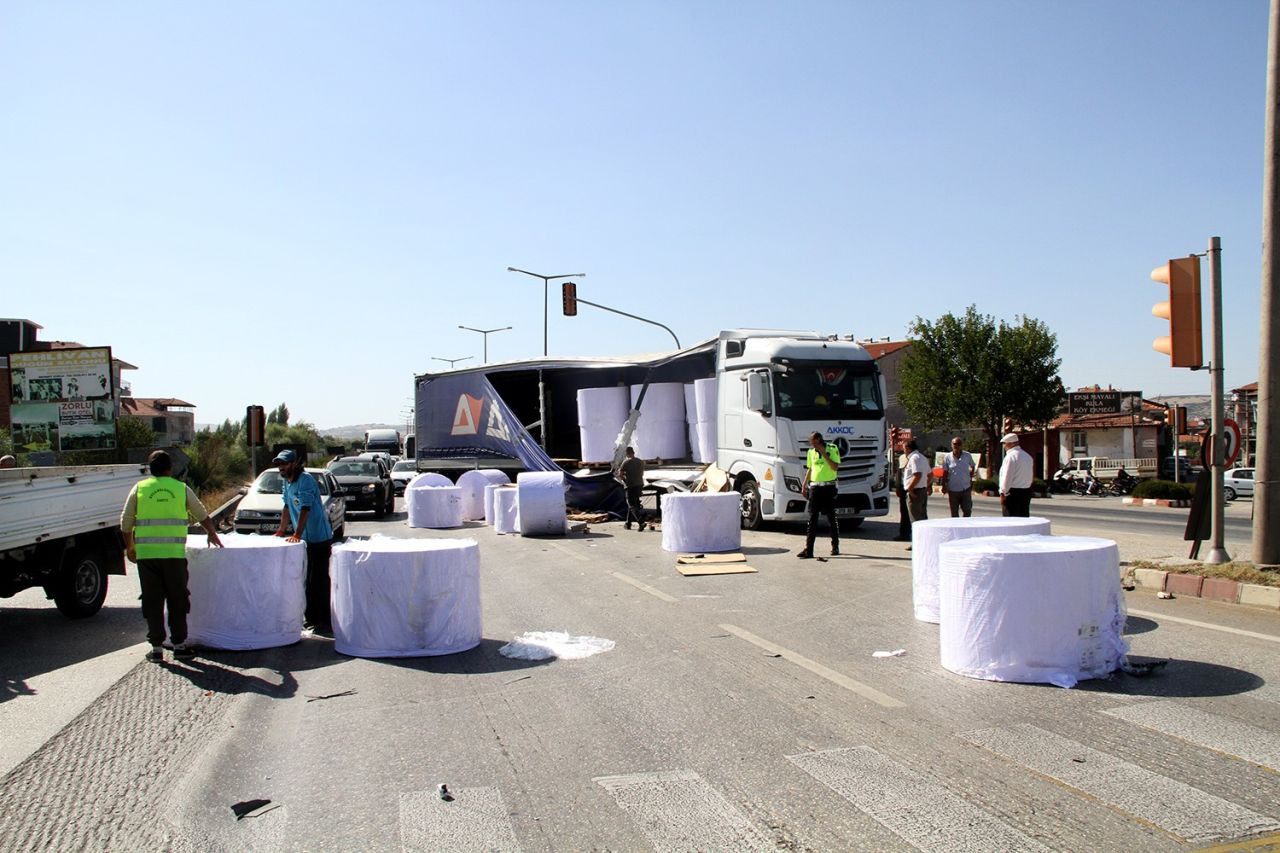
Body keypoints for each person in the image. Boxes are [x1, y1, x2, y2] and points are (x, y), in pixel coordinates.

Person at [120, 450, 222, 662]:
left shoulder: (139, 489)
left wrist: (130, 547)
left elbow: (125, 522)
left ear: (150, 469)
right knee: (177, 599)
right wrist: (212, 533)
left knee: (152, 601)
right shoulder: (181, 489)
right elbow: (202, 514)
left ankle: (157, 648)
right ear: (170, 469)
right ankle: (180, 646)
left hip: (147, 558)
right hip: (174, 556)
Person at [273, 449, 334, 633]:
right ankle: (312, 617)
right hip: (305, 541)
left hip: (318, 538)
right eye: (279, 465)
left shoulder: (305, 480)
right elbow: (286, 506)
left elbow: (305, 509)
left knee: (319, 580)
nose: (281, 468)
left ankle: (324, 620)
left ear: (295, 464)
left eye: (284, 464)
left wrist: (297, 534)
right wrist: (282, 530)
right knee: (306, 579)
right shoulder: (287, 482)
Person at [797, 431, 840, 559]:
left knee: (831, 517)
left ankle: (835, 546)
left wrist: (824, 453)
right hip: (815, 487)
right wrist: (804, 485)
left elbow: (834, 467)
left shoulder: (832, 449)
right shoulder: (811, 452)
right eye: (811, 443)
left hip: (829, 486)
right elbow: (810, 469)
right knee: (812, 519)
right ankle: (809, 549)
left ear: (820, 440)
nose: (813, 446)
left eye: (815, 443)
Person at [999, 432, 1034, 516]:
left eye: (1004, 443)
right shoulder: (1027, 456)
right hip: (1026, 492)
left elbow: (1007, 477)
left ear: (1009, 444)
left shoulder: (1010, 457)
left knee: (1011, 522)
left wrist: (1004, 493)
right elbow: (1030, 476)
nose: (1003, 446)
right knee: (1023, 520)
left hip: (1012, 494)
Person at [902, 440, 930, 546]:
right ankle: (924, 542)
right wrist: (926, 485)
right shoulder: (922, 457)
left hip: (916, 492)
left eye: (904, 448)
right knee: (922, 517)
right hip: (921, 490)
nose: (903, 450)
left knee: (915, 520)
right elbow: (930, 474)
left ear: (908, 448)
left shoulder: (914, 458)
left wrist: (910, 489)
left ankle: (917, 543)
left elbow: (917, 474)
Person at [940, 437, 977, 518]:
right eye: (955, 444)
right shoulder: (947, 457)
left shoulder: (967, 455)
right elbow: (945, 472)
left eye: (959, 444)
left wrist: (970, 476)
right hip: (953, 489)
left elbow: (972, 466)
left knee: (967, 510)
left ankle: (965, 528)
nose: (957, 446)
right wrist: (943, 485)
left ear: (961, 445)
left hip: (965, 488)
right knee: (954, 513)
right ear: (951, 445)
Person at [616, 446, 647, 531]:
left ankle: (641, 522)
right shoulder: (640, 462)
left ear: (627, 453)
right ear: (634, 452)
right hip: (639, 484)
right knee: (634, 503)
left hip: (630, 485)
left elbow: (620, 474)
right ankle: (628, 523)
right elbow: (642, 473)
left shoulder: (626, 462)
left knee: (631, 505)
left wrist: (624, 479)